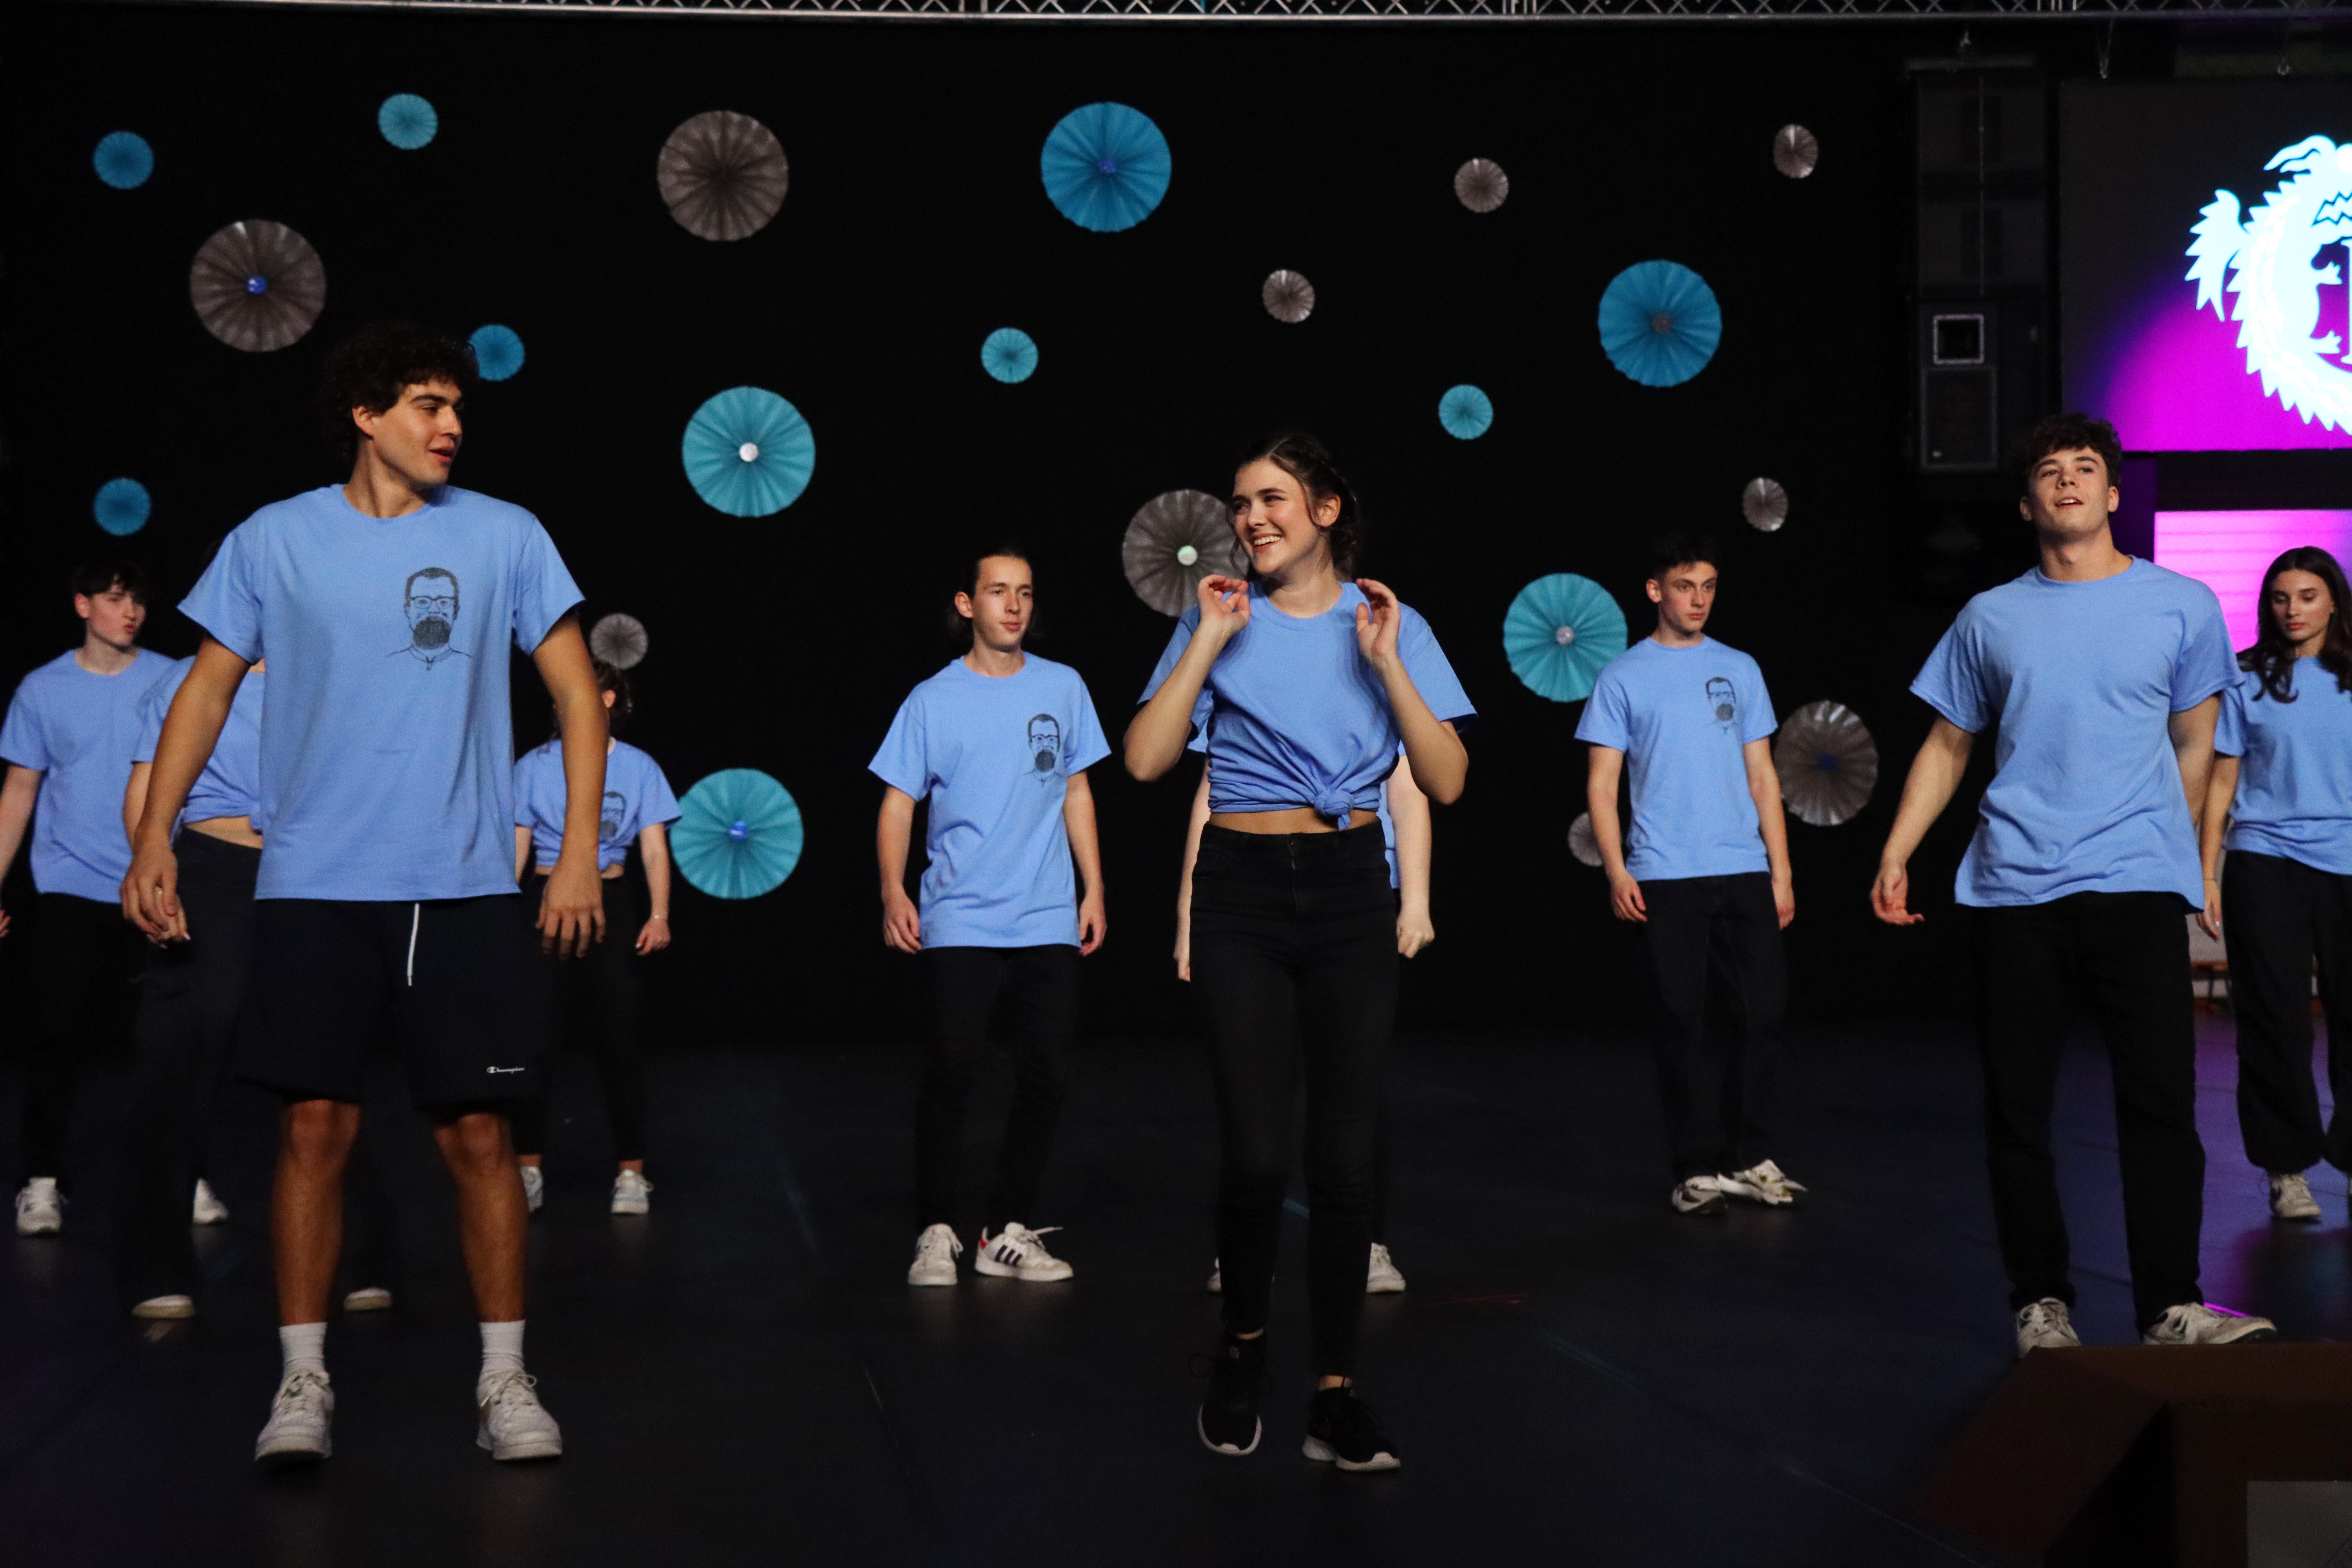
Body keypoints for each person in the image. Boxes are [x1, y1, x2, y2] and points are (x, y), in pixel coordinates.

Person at [123, 320, 607, 1465]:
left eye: (458, 408)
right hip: (314, 884)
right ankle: (302, 1382)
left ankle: (504, 1383)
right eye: (428, 405)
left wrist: (578, 849)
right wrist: (152, 839)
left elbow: (578, 695)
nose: (451, 426)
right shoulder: (274, 539)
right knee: (312, 1128)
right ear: (365, 414)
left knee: (481, 1137)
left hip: (463, 881)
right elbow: (203, 695)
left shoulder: (505, 534)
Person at [1872, 412, 2276, 1357]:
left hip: (2134, 885)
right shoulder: (1990, 616)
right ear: (2026, 504)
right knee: (2020, 1110)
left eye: (2085, 468)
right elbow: (1948, 744)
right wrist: (1896, 850)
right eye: (2049, 471)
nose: (2067, 481)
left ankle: (2171, 1305)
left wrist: (2172, 849)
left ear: (2113, 492)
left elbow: (2197, 741)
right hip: (2016, 888)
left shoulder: (2182, 604)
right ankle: (2042, 1303)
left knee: (2161, 1104)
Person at [1128, 433, 1471, 1474]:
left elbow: (1447, 779)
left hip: (1348, 889)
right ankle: (1241, 1353)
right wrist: (1205, 639)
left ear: (1325, 510)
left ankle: (1335, 1394)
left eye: (1272, 498)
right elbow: (1145, 760)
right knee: (1256, 1153)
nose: (1251, 517)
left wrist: (1388, 665)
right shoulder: (1219, 615)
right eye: (1241, 503)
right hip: (1239, 889)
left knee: (1345, 1161)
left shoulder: (1386, 622)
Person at [872, 547, 1108, 1289]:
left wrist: (1094, 889)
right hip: (960, 915)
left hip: (1046, 912)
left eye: (1025, 593)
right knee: (952, 1073)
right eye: (999, 591)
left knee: (1047, 1076)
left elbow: (1076, 789)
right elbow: (898, 802)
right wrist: (893, 892)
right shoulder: (932, 699)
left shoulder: (1063, 686)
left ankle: (1004, 1230)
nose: (1014, 605)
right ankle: (937, 1229)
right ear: (967, 604)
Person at [1578, 535, 1802, 1217]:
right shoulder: (1623, 676)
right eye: (1684, 586)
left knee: (1763, 1013)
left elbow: (1763, 775)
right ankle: (1697, 1167)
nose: (1698, 599)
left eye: (1708, 586)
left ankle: (1750, 1157)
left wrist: (1782, 871)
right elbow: (1602, 784)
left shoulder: (1740, 666)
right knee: (1682, 1021)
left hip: (1742, 865)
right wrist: (1617, 870)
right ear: (1656, 591)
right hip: (1665, 871)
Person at [1180, 747, 1429, 1294]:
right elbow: (1212, 791)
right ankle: (1246, 1248)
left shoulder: (1376, 688)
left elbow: (1411, 788)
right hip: (1254, 877)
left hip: (1359, 880)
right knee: (1256, 1085)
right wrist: (1186, 918)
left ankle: (1367, 1244)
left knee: (1355, 1085)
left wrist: (1416, 900)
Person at [0, 555, 173, 1236]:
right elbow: (19, 793)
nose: (130, 612)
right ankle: (42, 1182)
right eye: (115, 598)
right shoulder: (43, 690)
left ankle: (180, 1177)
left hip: (153, 883)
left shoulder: (170, 679)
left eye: (138, 601)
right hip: (69, 884)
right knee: (56, 1036)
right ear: (83, 605)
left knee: (168, 1043)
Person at [2199, 546, 2352, 1224]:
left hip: (2349, 860)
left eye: (2308, 596)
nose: (2293, 610)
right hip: (2265, 858)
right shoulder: (2245, 677)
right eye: (2281, 598)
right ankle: (2285, 1168)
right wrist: (2205, 870)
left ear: (2334, 602)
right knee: (2274, 1019)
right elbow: (2222, 777)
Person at [114, 647, 265, 1315]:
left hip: (312, 869)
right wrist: (154, 872)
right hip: (214, 868)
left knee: (327, 1066)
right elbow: (147, 788)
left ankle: (362, 1256)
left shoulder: (329, 662)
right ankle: (157, 1265)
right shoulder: (186, 679)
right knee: (178, 1058)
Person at [510, 658, 679, 1217]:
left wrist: (659, 914)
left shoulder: (638, 767)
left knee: (619, 1042)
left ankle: (631, 1173)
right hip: (544, 901)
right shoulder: (534, 766)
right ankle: (528, 1168)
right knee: (532, 1041)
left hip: (612, 902)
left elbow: (653, 847)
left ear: (608, 700)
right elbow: (518, 846)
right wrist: (504, 913)